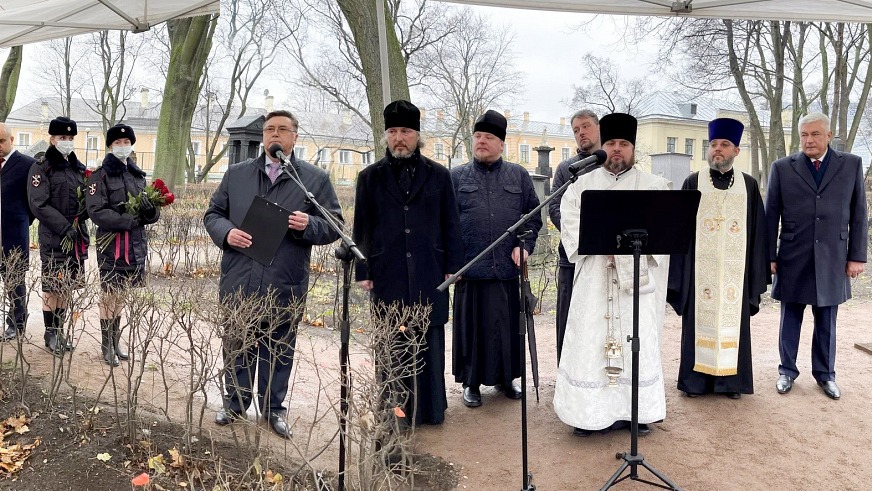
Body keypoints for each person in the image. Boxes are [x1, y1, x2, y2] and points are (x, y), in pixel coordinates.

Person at [204, 109, 342, 438]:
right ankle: (235, 403)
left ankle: (273, 408)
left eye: (282, 130)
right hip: (239, 275)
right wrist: (226, 233)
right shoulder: (236, 174)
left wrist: (309, 224)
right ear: (263, 137)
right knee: (237, 342)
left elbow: (334, 223)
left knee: (278, 348)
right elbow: (213, 213)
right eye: (269, 130)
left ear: (295, 137)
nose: (274, 135)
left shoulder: (313, 179)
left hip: (284, 280)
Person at [553, 113, 671, 437]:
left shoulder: (654, 186)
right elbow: (572, 229)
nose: (617, 150)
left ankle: (637, 411)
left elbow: (664, 234)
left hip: (636, 285)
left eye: (623, 144)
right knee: (591, 344)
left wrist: (627, 245)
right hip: (594, 282)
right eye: (611, 144)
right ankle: (587, 415)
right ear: (601, 147)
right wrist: (603, 242)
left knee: (637, 341)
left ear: (633, 148)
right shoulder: (580, 186)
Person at [353, 100, 464, 426]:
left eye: (405, 131)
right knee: (391, 343)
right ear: (386, 135)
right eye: (393, 131)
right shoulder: (369, 178)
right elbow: (362, 229)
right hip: (388, 273)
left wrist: (453, 265)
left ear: (417, 135)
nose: (399, 137)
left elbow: (451, 225)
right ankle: (395, 411)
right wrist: (364, 269)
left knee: (429, 341)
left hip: (430, 272)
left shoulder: (439, 176)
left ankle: (429, 410)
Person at [765, 112, 867, 400]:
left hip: (834, 256)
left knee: (826, 320)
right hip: (793, 254)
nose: (809, 140)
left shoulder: (851, 165)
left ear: (829, 135)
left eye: (815, 134)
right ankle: (787, 370)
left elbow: (859, 214)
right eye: (804, 135)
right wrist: (768, 256)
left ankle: (826, 375)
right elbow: (771, 215)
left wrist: (856, 256)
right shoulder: (783, 168)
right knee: (790, 316)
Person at [667, 118, 769, 399]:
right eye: (713, 145)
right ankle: (696, 383)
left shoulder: (748, 186)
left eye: (724, 145)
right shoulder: (693, 182)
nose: (717, 150)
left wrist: (756, 272)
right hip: (700, 273)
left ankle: (730, 383)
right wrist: (680, 275)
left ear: (736, 151)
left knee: (733, 323)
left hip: (735, 274)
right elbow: (680, 230)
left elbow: (758, 232)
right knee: (698, 322)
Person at [450, 110, 542, 408]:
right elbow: (444, 224)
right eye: (477, 137)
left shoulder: (518, 175)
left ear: (501, 143)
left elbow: (532, 218)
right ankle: (471, 383)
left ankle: (507, 379)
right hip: (470, 272)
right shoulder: (456, 177)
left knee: (505, 329)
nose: (481, 142)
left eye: (488, 137)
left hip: (505, 269)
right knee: (473, 331)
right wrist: (452, 263)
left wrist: (525, 246)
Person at [85, 123, 160, 366]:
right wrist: (127, 220)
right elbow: (96, 211)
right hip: (112, 244)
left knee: (122, 296)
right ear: (110, 145)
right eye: (118, 143)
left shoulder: (137, 175)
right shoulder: (100, 176)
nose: (122, 146)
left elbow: (148, 207)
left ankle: (116, 341)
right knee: (110, 294)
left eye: (126, 143)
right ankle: (106, 344)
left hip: (135, 245)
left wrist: (150, 213)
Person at [28, 116, 91, 355]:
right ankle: (50, 332)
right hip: (54, 236)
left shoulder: (79, 168)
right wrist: (64, 227)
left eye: (70, 138)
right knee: (53, 286)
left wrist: (84, 213)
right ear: (52, 139)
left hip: (75, 237)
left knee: (67, 287)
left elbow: (87, 199)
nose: (67, 141)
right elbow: (38, 204)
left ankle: (60, 329)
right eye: (62, 137)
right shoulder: (42, 167)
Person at [548, 109, 601, 363]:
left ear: (598, 128)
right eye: (576, 130)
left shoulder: (611, 163)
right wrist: (583, 240)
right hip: (571, 258)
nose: (581, 133)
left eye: (586, 126)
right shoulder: (565, 169)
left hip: (606, 259)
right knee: (569, 317)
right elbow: (555, 208)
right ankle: (566, 371)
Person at [0, 122, 36, 341]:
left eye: (1, 141)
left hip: (13, 234)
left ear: (11, 140)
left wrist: (21, 221)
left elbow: (33, 202)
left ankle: (16, 323)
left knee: (14, 281)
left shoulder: (27, 165)